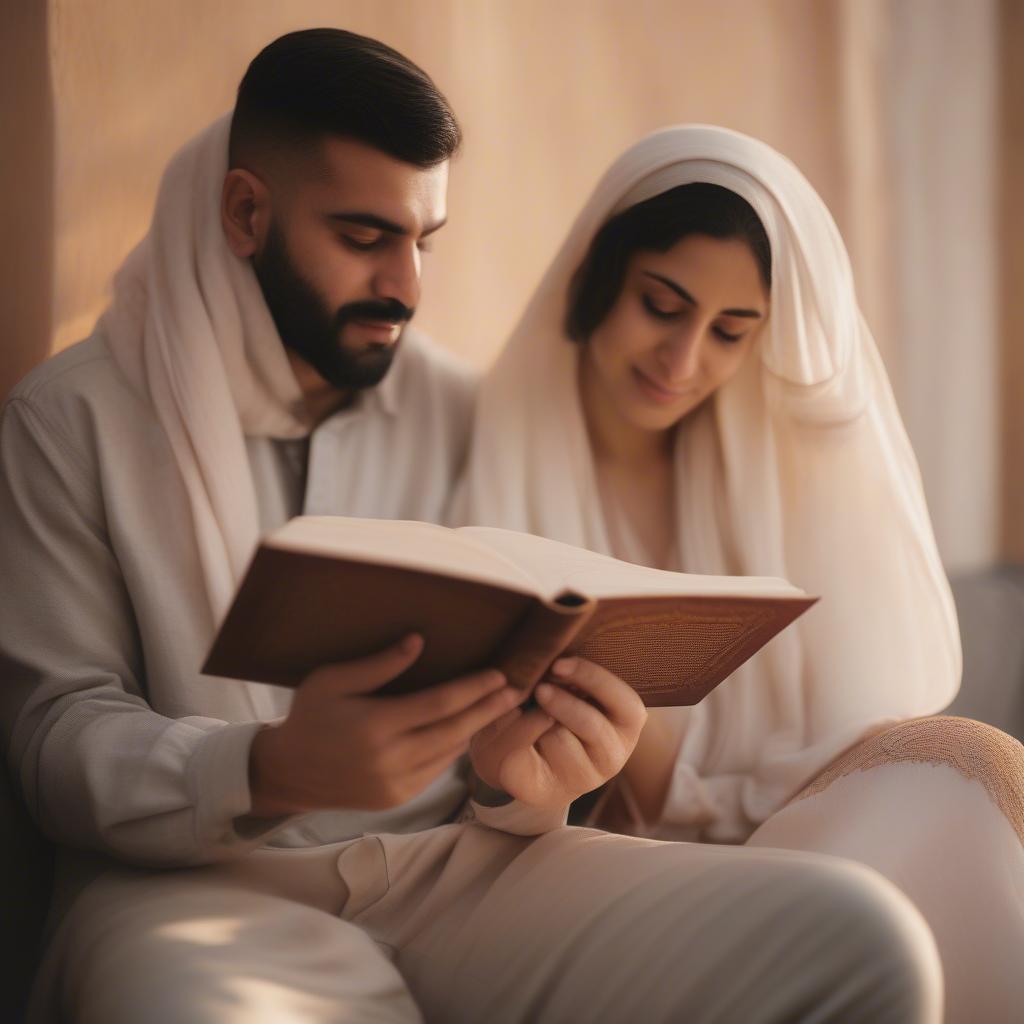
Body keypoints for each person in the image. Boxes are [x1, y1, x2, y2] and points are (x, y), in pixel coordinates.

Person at [1, 32, 944, 1023]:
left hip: (462, 877)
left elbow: (506, 733)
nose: (407, 286)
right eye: (365, 238)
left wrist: (533, 783)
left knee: (860, 938)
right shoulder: (70, 424)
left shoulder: (465, 409)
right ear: (247, 211)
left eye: (425, 241)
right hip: (184, 891)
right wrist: (266, 768)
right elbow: (50, 736)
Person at [454, 124, 1024, 1022]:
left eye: (730, 331)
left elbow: (832, 735)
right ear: (601, 274)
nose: (683, 363)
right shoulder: (474, 450)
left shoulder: (764, 477)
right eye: (662, 303)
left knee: (968, 771)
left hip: (784, 831)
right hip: (589, 866)